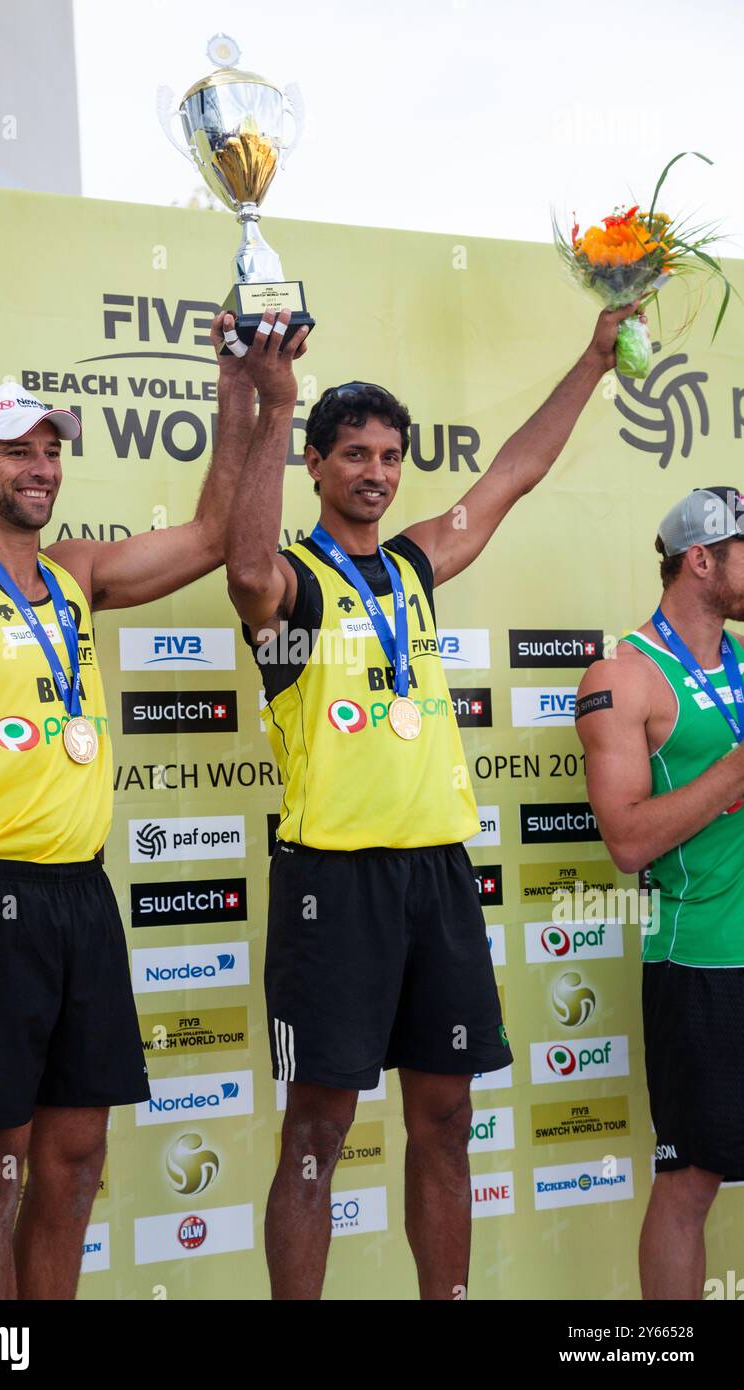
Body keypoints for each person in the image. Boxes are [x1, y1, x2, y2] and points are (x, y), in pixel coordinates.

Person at [0, 311, 299, 1300]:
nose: (40, 466)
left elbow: (208, 535)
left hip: (80, 897)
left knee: (72, 1162)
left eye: (51, 450)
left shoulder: (75, 575)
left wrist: (235, 385)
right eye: (15, 450)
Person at [226, 302, 636, 1300]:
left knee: (444, 1118)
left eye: (390, 455)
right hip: (332, 885)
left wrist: (588, 359)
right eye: (354, 453)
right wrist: (273, 406)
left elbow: (510, 476)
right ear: (315, 465)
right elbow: (241, 571)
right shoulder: (293, 591)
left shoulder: (411, 565)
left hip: (436, 879)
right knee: (318, 1130)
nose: (375, 471)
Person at [575, 486, 744, 1301]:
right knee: (691, 1184)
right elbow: (627, 840)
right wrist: (736, 769)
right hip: (703, 961)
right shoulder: (623, 674)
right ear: (701, 558)